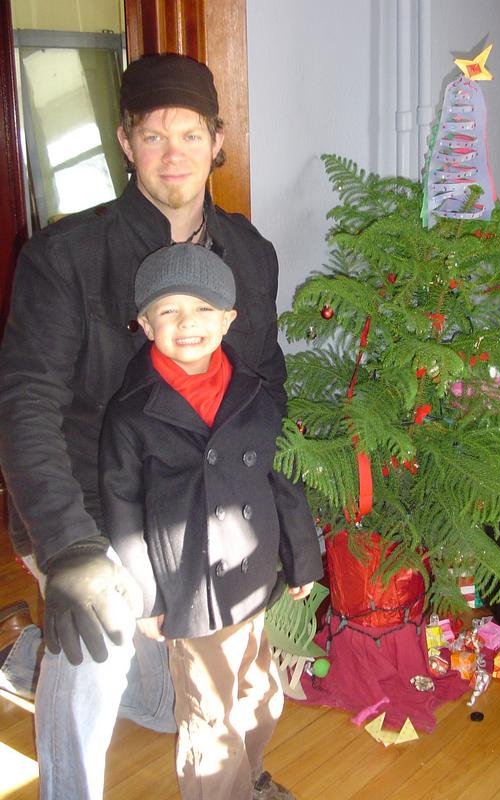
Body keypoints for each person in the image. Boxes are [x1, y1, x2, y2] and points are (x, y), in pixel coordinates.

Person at [0, 53, 295, 800]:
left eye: (190, 134)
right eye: (154, 135)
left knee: (173, 711)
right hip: (93, 504)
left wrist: (277, 514)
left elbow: (266, 385)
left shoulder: (251, 255)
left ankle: (27, 652)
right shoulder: (65, 256)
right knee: (98, 630)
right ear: (126, 142)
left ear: (217, 141)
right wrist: (70, 550)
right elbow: (24, 404)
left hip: (194, 507)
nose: (173, 154)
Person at [99, 243, 323, 799]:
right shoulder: (130, 412)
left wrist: (302, 557)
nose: (187, 323)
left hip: (252, 578)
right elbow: (122, 508)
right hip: (190, 591)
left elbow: (284, 475)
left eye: (203, 308)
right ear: (146, 324)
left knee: (260, 692)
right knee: (210, 718)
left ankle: (249, 779)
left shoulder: (255, 395)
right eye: (169, 310)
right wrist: (145, 596)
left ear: (227, 319)